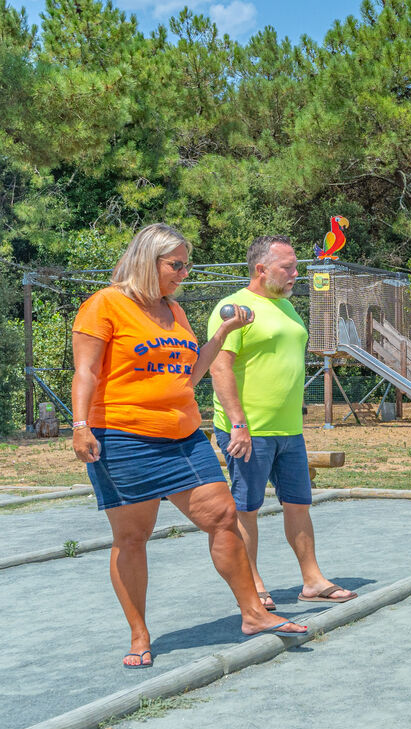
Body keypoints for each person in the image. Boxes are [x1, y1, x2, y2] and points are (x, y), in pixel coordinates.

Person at [71, 223, 308, 669]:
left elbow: (190, 375)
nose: (184, 273)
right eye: (176, 265)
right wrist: (80, 425)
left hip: (184, 435)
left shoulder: (174, 310)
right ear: (149, 261)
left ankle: (253, 614)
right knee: (132, 537)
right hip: (124, 436)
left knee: (223, 516)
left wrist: (222, 334)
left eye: (186, 266)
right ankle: (139, 634)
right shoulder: (105, 304)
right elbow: (85, 371)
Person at [208, 236, 356, 609]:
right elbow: (219, 367)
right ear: (261, 269)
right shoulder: (234, 308)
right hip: (249, 431)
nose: (295, 274)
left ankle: (313, 581)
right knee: (247, 507)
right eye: (287, 267)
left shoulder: (287, 307)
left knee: (298, 503)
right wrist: (238, 424)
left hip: (289, 431)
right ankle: (252, 584)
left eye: (295, 266)